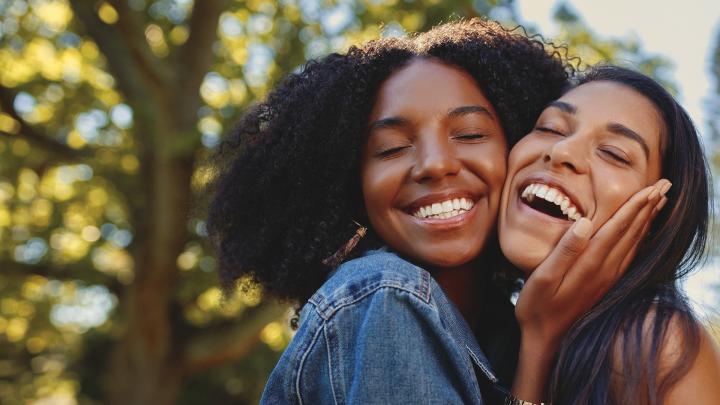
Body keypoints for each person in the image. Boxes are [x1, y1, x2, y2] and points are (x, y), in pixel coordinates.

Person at [206, 19, 663, 404]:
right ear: (354, 184)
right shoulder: (386, 296)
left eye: (468, 135)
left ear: (518, 147)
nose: (434, 164)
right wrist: (540, 347)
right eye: (391, 148)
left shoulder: (512, 328)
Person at [497, 65, 720, 404]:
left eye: (613, 153)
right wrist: (538, 342)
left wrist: (539, 344)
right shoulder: (486, 334)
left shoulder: (657, 341)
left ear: (655, 220)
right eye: (550, 128)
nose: (561, 152)